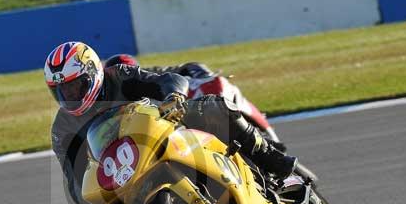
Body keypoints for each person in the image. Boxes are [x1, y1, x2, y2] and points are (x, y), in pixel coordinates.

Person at [46, 41, 297, 204]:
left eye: (74, 85)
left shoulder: (119, 76)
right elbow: (73, 177)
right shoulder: (62, 129)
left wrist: (174, 96)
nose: (69, 95)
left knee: (216, 108)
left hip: (165, 129)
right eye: (61, 90)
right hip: (129, 174)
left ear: (93, 73)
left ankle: (268, 156)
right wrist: (89, 197)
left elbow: (168, 79)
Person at [104, 54, 287, 151]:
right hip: (166, 131)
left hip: (184, 109)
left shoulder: (147, 75)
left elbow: (184, 69)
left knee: (216, 95)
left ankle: (262, 142)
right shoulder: (112, 103)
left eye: (132, 68)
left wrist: (199, 74)